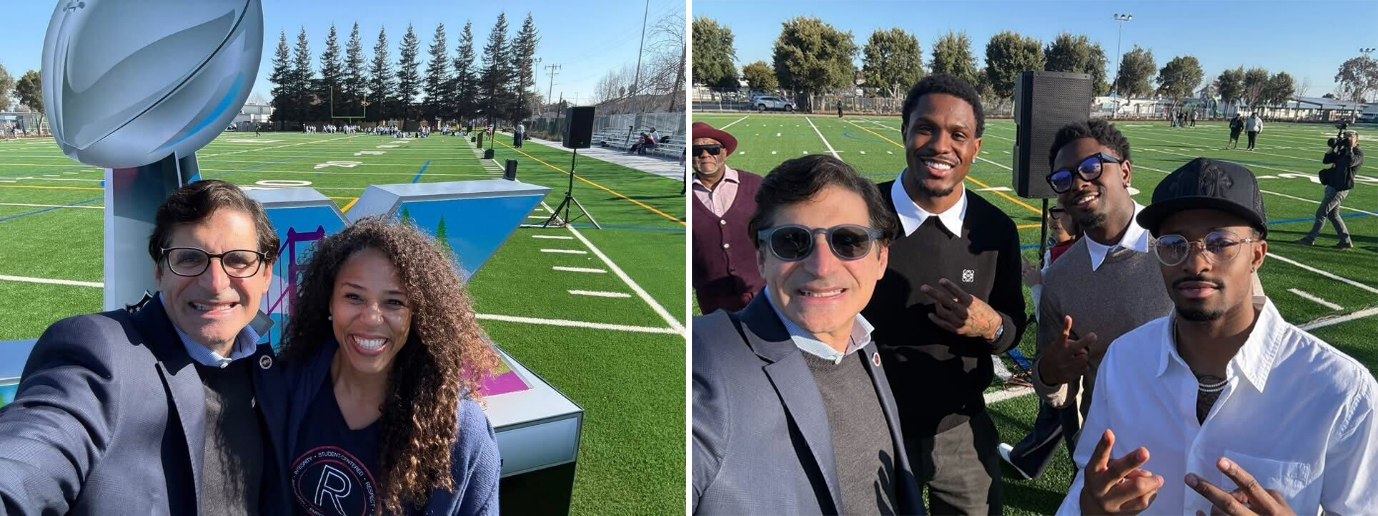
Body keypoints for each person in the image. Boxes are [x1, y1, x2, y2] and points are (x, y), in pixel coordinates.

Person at [1057, 157, 1378, 515]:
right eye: (1175, 244)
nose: (1196, 263)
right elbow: (1088, 483)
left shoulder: (1340, 391)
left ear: (1257, 254)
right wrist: (1089, 507)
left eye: (1220, 242)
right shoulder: (1124, 359)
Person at [0, 180, 291, 514]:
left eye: (238, 260)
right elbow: (27, 455)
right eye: (190, 258)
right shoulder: (99, 353)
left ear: (266, 274)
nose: (215, 282)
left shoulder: (272, 375)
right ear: (159, 272)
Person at [692, 155, 925, 515]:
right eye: (792, 242)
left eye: (848, 241)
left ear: (881, 259)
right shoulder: (707, 362)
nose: (821, 266)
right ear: (761, 259)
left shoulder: (861, 340)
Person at [864, 74, 1026, 515]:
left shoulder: (995, 230)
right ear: (903, 131)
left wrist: (989, 325)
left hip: (962, 429)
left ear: (975, 147)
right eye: (925, 128)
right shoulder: (861, 214)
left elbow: (1013, 325)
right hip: (869, 428)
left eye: (958, 134)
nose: (940, 145)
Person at [278, 217, 501, 515]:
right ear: (329, 302)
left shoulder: (459, 428)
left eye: (394, 303)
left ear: (418, 315)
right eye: (353, 296)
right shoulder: (283, 387)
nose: (371, 318)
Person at [1029, 120, 1176, 471]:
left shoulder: (1182, 247)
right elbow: (1056, 388)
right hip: (1112, 457)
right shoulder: (1061, 279)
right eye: (1063, 179)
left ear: (1125, 171)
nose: (1078, 183)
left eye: (1091, 167)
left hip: (1195, 446)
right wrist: (1049, 374)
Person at [1000, 204, 1082, 480]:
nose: (1051, 218)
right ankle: (1028, 459)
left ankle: (1082, 485)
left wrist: (1035, 284)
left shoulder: (1075, 257)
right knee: (1053, 412)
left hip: (1071, 359)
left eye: (1060, 212)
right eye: (1051, 212)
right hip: (1062, 357)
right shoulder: (1063, 250)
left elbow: (1052, 318)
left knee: (1075, 429)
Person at [691, 121, 765, 314]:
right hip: (714, 303)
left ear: (724, 152)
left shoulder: (756, 185)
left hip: (764, 295)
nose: (705, 155)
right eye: (696, 150)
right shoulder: (684, 196)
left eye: (712, 149)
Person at [1297, 130, 1363, 249]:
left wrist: (1350, 147)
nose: (1346, 139)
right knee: (1333, 215)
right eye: (1345, 136)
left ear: (1356, 140)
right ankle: (1345, 241)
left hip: (1340, 188)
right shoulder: (1342, 151)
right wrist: (1334, 147)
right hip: (1332, 185)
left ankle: (1310, 238)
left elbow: (1350, 162)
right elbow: (1326, 160)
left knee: (1321, 213)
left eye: (1349, 137)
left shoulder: (1358, 153)